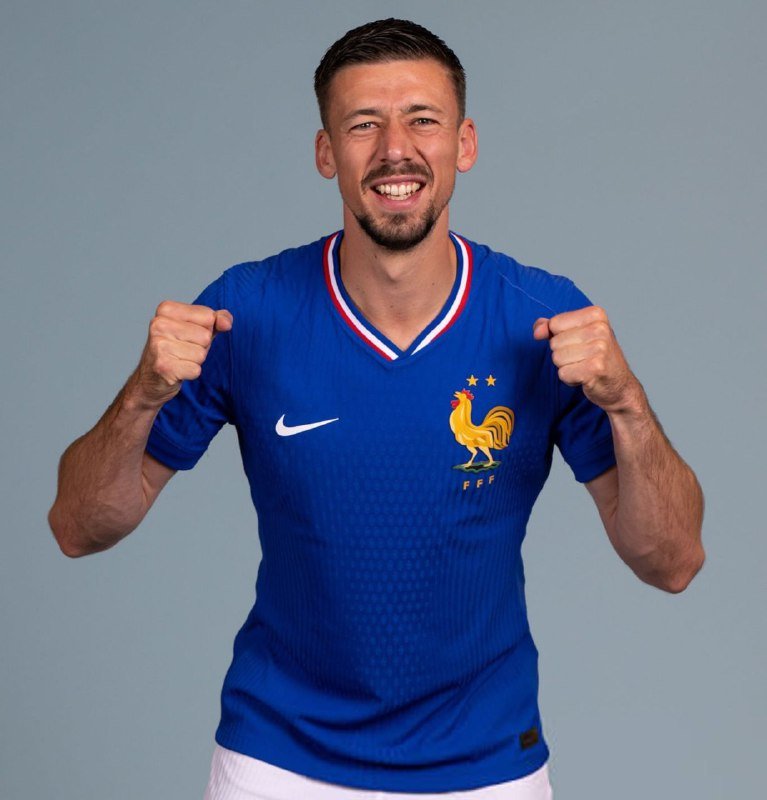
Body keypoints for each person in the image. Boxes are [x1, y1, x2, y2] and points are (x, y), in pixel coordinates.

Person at [48, 18, 705, 800]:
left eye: (421, 120)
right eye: (363, 124)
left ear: (463, 143)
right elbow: (78, 528)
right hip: (277, 763)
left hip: (486, 767)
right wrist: (140, 395)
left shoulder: (541, 318)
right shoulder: (245, 312)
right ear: (326, 152)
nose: (396, 149)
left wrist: (627, 404)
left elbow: (671, 563)